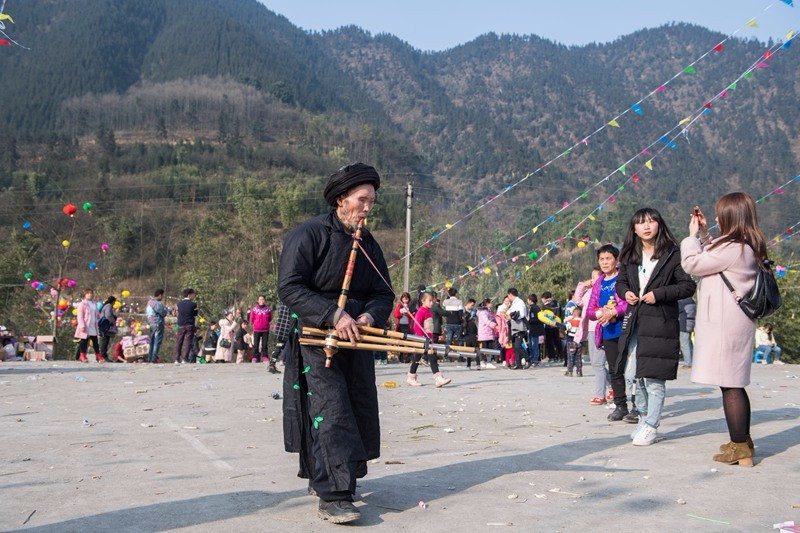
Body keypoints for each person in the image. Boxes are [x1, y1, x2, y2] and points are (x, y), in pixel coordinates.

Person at [278, 163, 394, 523]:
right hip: (318, 336)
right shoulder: (310, 234)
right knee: (331, 410)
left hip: (357, 338)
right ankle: (333, 495)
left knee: (357, 406)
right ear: (341, 199)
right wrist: (334, 314)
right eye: (362, 200)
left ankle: (337, 478)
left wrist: (368, 317)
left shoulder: (368, 243)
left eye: (372, 202)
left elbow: (382, 293)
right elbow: (290, 287)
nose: (367, 208)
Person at [682, 192, 768, 466]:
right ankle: (741, 439)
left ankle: (740, 448)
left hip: (725, 325)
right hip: (732, 323)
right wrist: (705, 234)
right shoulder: (742, 246)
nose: (717, 218)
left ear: (732, 216)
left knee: (730, 385)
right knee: (733, 382)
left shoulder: (735, 249)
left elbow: (693, 263)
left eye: (721, 214)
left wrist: (691, 237)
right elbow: (713, 255)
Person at [617, 208, 696, 446]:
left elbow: (687, 286)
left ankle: (652, 425)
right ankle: (642, 417)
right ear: (634, 228)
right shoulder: (629, 254)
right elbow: (621, 282)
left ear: (659, 224)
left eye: (651, 221)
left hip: (660, 322)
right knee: (633, 374)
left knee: (653, 378)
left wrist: (659, 294)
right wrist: (627, 292)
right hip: (635, 321)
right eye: (641, 223)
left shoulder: (673, 254)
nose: (647, 226)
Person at [588, 245, 629, 420]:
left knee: (632, 370)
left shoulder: (624, 278)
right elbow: (590, 310)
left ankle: (639, 406)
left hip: (626, 329)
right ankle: (621, 405)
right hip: (608, 332)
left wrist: (613, 312)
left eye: (608, 258)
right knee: (614, 369)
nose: (605, 262)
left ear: (616, 260)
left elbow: (629, 302)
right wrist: (600, 313)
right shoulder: (599, 282)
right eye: (602, 259)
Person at [575, 268, 610, 404]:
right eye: (591, 277)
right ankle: (611, 386)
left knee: (598, 363)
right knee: (595, 363)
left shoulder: (604, 291)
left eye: (594, 277)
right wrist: (582, 285)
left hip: (601, 328)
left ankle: (600, 395)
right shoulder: (589, 292)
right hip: (590, 330)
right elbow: (577, 301)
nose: (592, 280)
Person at [407, 292, 452, 387]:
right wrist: (423, 338)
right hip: (422, 339)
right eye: (430, 300)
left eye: (433, 300)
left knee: (419, 358)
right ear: (423, 301)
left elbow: (429, 328)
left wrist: (431, 339)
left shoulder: (429, 311)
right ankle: (437, 378)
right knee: (430, 357)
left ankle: (412, 377)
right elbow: (417, 326)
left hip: (429, 339)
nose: (432, 302)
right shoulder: (421, 311)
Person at [74, 288, 103, 363]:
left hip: (93, 325)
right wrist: (82, 325)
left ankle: (98, 356)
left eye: (91, 293)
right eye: (88, 293)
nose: (90, 294)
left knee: (95, 341)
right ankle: (83, 355)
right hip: (86, 325)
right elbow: (80, 316)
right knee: (84, 341)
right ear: (85, 295)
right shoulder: (82, 304)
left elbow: (96, 313)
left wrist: (99, 315)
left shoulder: (94, 304)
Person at [506, 288, 529, 370]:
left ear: (510, 295)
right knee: (515, 347)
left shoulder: (519, 302)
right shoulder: (513, 303)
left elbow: (522, 314)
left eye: (508, 296)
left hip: (520, 326)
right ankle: (518, 364)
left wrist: (513, 316)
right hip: (514, 327)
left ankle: (528, 359)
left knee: (518, 346)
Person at [174, 288, 198, 364]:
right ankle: (185, 359)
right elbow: (195, 315)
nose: (193, 296)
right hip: (189, 324)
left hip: (180, 324)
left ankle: (176, 359)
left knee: (179, 342)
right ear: (189, 294)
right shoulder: (193, 304)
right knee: (188, 342)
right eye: (193, 294)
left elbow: (177, 313)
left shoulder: (179, 303)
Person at [248, 296, 273, 364]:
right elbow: (252, 319)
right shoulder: (254, 309)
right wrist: (256, 324)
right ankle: (255, 357)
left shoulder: (268, 309)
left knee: (264, 344)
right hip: (257, 329)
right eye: (260, 299)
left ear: (264, 300)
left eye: (263, 299)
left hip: (265, 329)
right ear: (258, 301)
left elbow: (270, 318)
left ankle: (265, 357)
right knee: (256, 344)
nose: (261, 300)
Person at [541, 292, 564, 362]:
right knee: (557, 341)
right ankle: (561, 356)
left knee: (549, 342)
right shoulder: (557, 303)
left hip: (549, 325)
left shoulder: (545, 306)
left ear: (545, 298)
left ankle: (552, 357)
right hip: (557, 324)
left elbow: (544, 316)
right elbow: (560, 313)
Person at [146, 289, 167, 363]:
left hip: (151, 323)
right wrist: (165, 310)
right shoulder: (157, 303)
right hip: (158, 323)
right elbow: (163, 313)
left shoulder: (149, 302)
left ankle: (150, 357)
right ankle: (153, 358)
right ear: (160, 295)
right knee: (157, 342)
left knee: (152, 341)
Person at [476, 298, 497, 368]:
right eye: (490, 302)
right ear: (487, 304)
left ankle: (489, 362)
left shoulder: (488, 311)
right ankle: (482, 361)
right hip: (484, 333)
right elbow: (486, 321)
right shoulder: (482, 312)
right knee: (484, 348)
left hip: (489, 333)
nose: (492, 304)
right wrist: (494, 325)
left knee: (489, 348)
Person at [98, 296, 120, 362]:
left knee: (105, 340)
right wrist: (113, 320)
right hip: (106, 326)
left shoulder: (106, 305)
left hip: (104, 325)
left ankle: (101, 355)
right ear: (113, 301)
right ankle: (103, 355)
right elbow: (108, 316)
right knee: (105, 341)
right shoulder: (109, 306)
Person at [526, 294, 544, 368]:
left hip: (534, 329)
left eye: (528, 299)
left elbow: (535, 319)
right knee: (531, 345)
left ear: (530, 300)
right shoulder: (535, 307)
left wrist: (528, 321)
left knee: (534, 345)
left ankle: (535, 360)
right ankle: (532, 358)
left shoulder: (534, 308)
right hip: (532, 329)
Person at [678, 297, 696, 368]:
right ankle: (693, 361)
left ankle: (688, 363)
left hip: (684, 324)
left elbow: (677, 311)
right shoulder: (692, 301)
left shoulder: (682, 302)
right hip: (691, 323)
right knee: (689, 343)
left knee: (684, 344)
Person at [565, 306, 583, 377]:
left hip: (571, 339)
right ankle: (579, 371)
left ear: (574, 314)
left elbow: (566, 327)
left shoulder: (571, 321)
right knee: (578, 357)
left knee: (570, 356)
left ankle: (569, 371)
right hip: (579, 340)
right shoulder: (582, 322)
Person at [463, 299, 480, 369]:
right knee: (468, 349)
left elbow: (476, 321)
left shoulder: (474, 312)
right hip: (466, 332)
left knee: (476, 348)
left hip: (473, 332)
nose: (473, 307)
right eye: (472, 305)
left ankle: (478, 364)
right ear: (468, 303)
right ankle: (468, 364)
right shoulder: (463, 311)